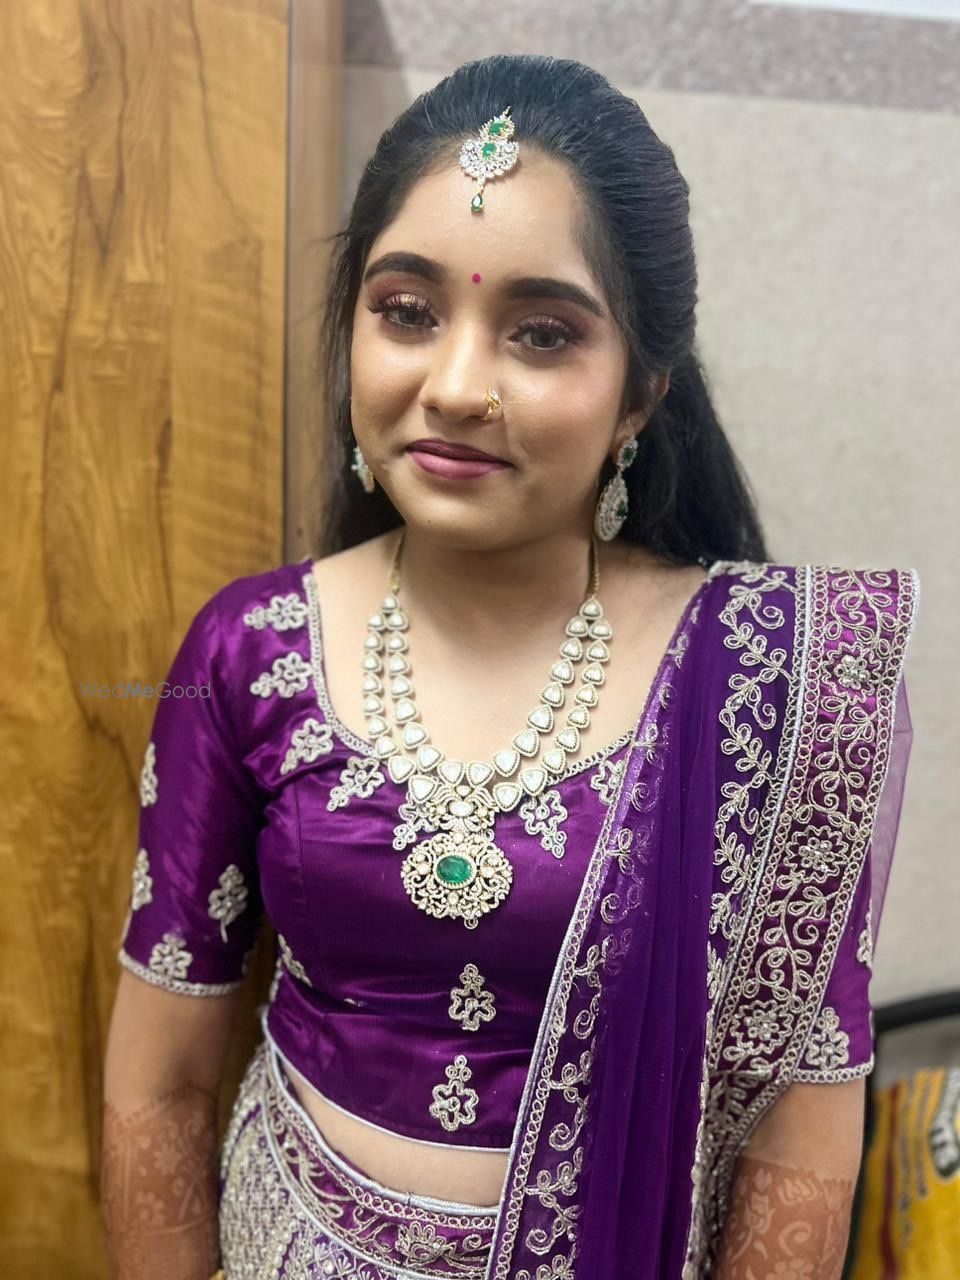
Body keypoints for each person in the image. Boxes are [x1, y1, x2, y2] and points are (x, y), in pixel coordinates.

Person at [100, 53, 919, 1280]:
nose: (456, 386)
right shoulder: (251, 649)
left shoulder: (770, 687)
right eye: (406, 310)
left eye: (541, 333)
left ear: (639, 393)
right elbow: (159, 1082)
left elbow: (796, 1144)